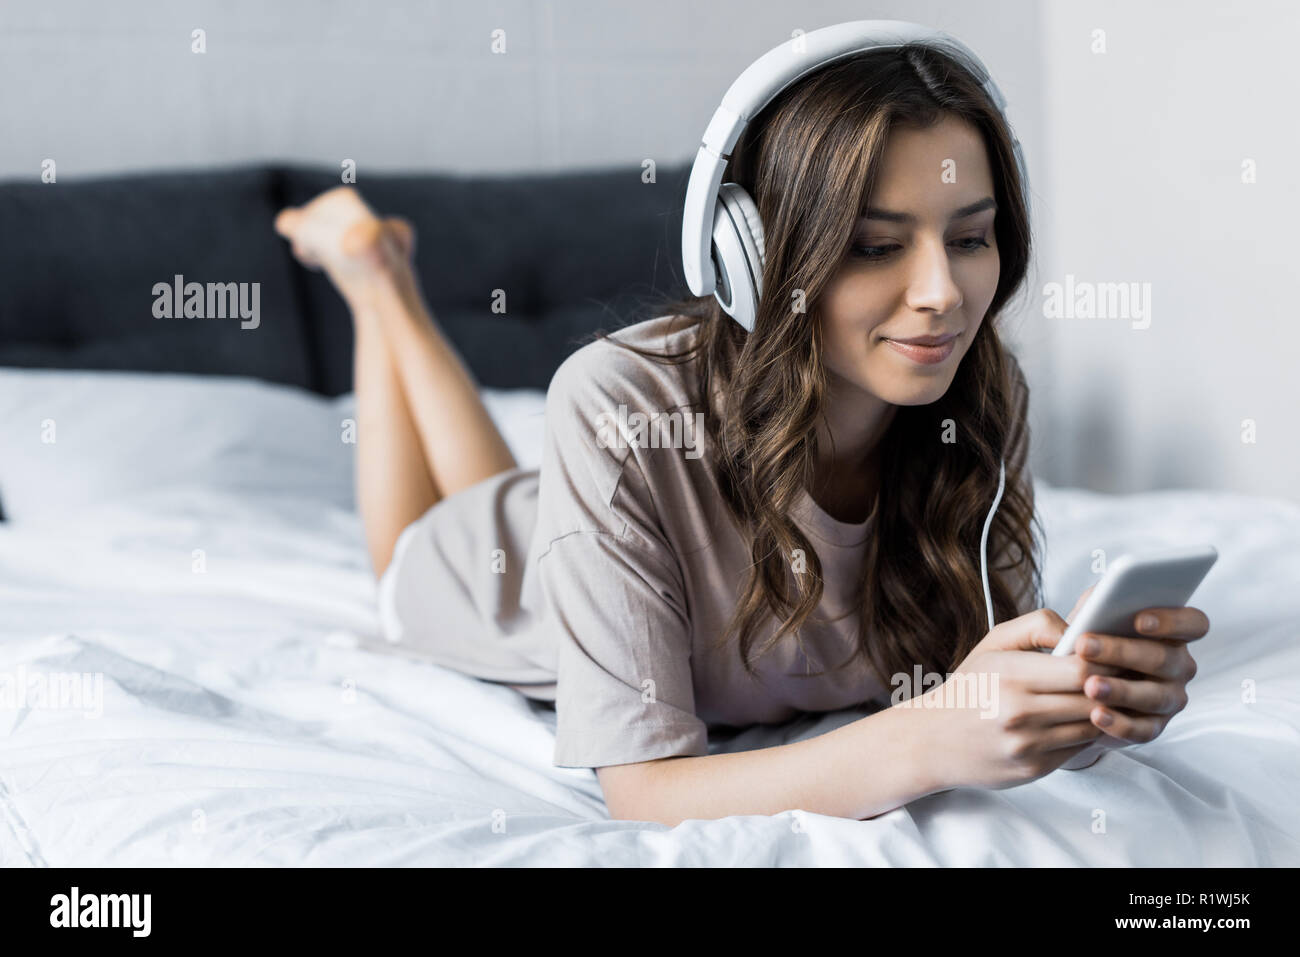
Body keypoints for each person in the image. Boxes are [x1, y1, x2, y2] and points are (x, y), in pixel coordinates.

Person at [273, 41, 1207, 827]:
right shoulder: (614, 402)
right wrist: (931, 737)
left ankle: (384, 277)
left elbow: (985, 669)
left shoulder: (973, 393)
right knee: (424, 545)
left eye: (970, 238)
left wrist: (1085, 699)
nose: (944, 295)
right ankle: (374, 285)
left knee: (505, 487)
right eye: (877, 246)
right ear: (754, 256)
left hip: (568, 511)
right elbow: (644, 792)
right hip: (488, 570)